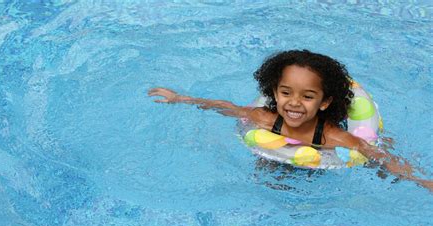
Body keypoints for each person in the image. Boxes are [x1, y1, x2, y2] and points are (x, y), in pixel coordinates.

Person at [148, 49, 432, 192]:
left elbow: (370, 150)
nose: (294, 103)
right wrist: (180, 99)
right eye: (286, 93)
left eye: (307, 97)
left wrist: (420, 180)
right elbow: (227, 107)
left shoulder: (331, 135)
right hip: (278, 152)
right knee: (265, 173)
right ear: (274, 92)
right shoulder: (265, 118)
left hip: (323, 165)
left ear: (325, 102)